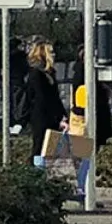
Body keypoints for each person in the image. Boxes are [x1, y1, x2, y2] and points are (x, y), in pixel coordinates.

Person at [21, 41, 67, 169]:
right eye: (51, 51)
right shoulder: (36, 74)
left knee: (50, 147)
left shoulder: (50, 73)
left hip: (51, 117)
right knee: (40, 145)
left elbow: (55, 97)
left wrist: (63, 115)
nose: (54, 54)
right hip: (41, 116)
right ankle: (37, 171)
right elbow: (42, 98)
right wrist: (57, 117)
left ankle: (45, 169)